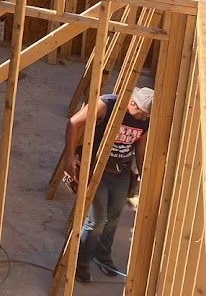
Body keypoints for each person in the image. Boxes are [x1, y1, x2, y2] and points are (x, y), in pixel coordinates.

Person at [64, 87, 152, 282]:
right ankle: (82, 264)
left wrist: (143, 174)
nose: (144, 118)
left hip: (121, 173)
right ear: (132, 103)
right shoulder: (108, 104)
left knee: (113, 218)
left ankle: (103, 257)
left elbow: (140, 146)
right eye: (142, 113)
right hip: (97, 170)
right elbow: (73, 123)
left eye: (147, 116)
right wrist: (70, 157)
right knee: (95, 220)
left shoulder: (145, 120)